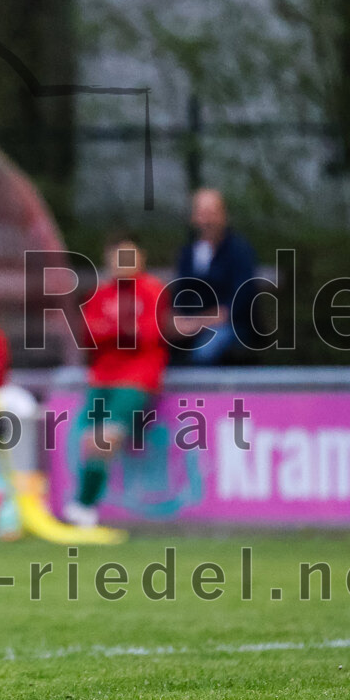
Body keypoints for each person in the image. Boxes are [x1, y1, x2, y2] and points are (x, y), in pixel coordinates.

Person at [64, 234, 169, 528]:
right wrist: (119, 331)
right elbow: (90, 334)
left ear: (140, 259)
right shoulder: (101, 294)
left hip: (136, 377)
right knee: (88, 439)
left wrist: (114, 331)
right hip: (103, 377)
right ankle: (83, 506)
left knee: (106, 437)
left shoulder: (151, 290)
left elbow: (146, 334)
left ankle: (84, 505)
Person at [174, 188, 257, 365]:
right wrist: (175, 322)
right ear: (193, 218)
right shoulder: (188, 254)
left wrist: (197, 323)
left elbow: (238, 302)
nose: (208, 220)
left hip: (233, 325)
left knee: (204, 352)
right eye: (202, 213)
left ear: (224, 216)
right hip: (193, 324)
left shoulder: (240, 251)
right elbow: (180, 295)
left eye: (212, 213)